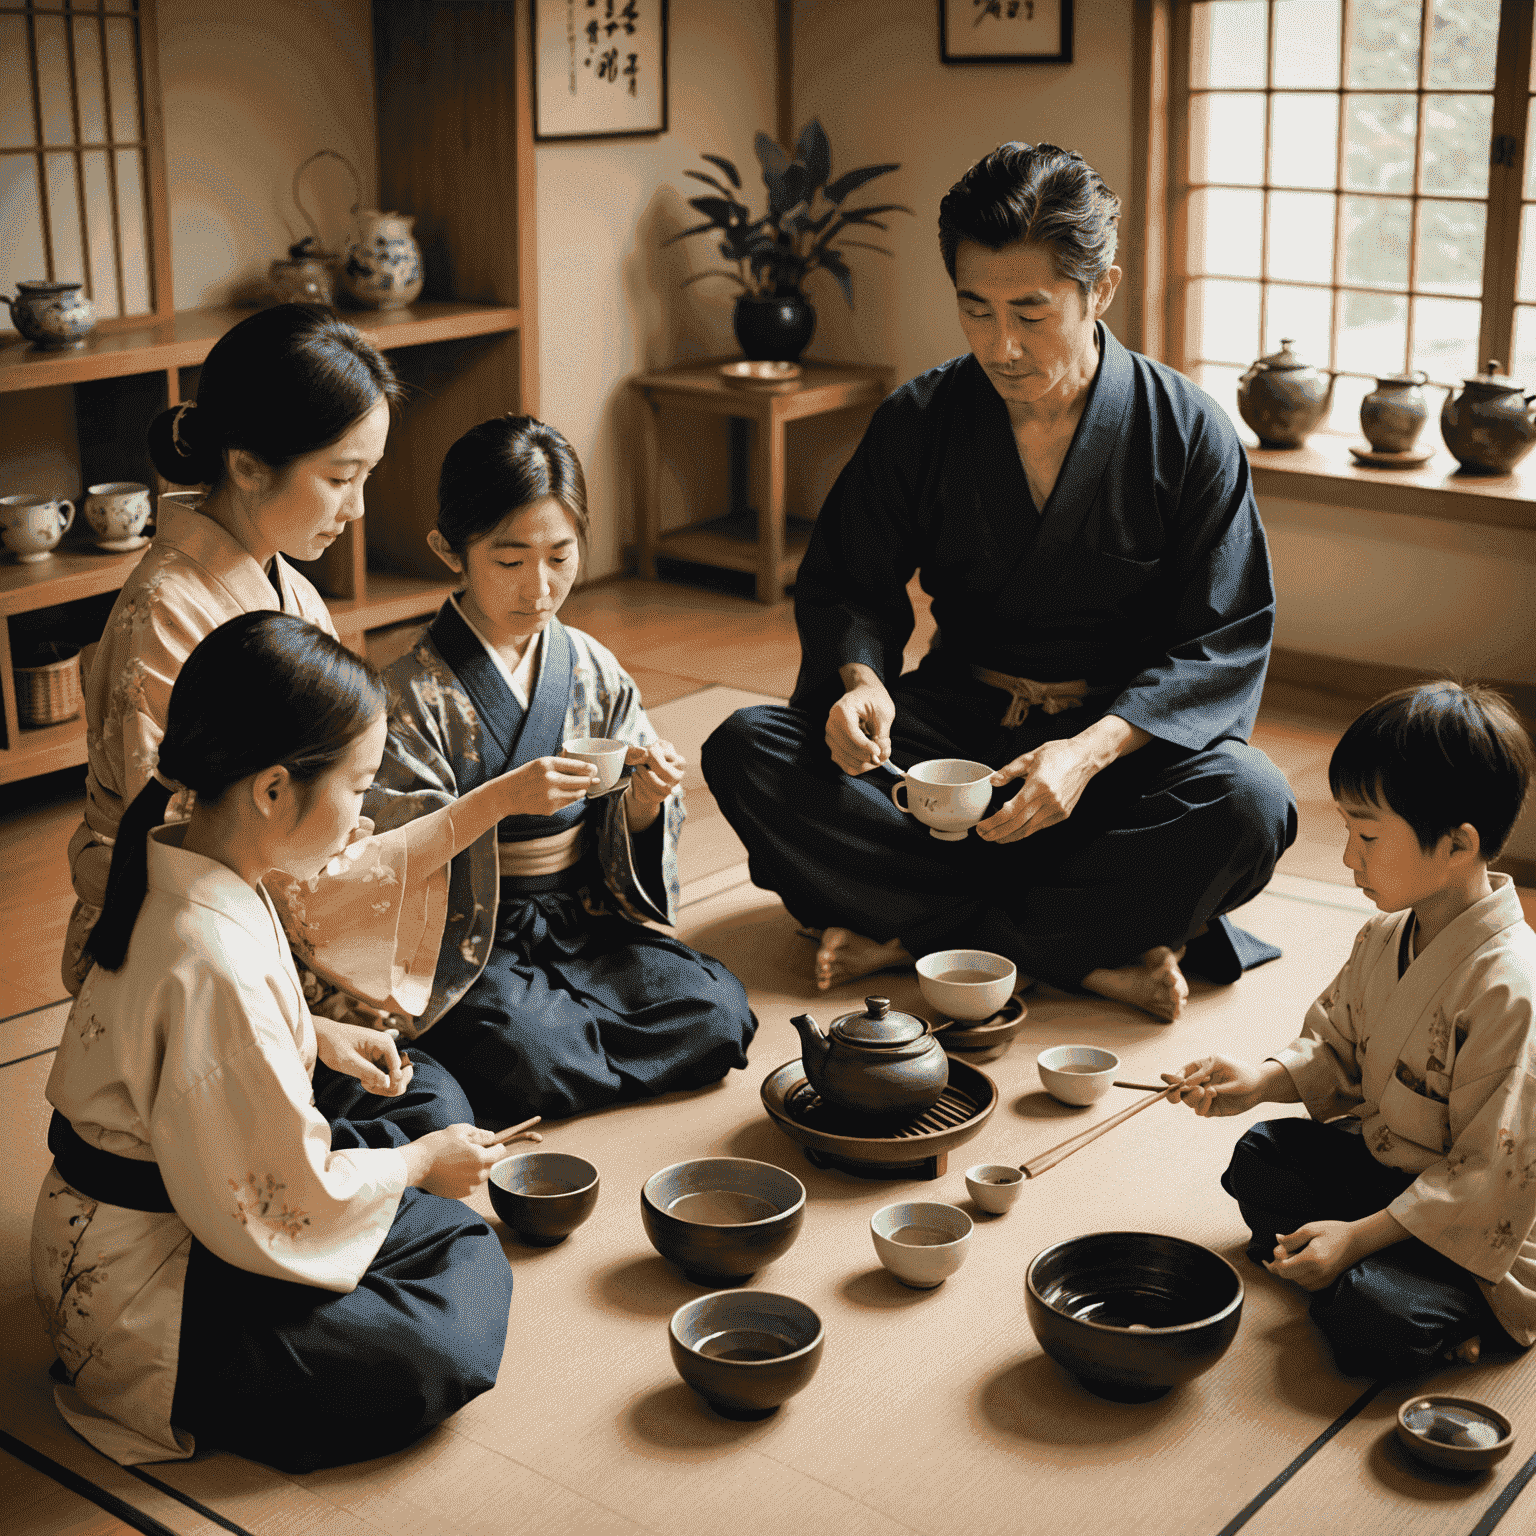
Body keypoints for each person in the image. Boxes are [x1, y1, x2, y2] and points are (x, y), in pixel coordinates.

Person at [702, 143, 1296, 1021]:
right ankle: (1082, 950)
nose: (1001, 345)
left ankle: (911, 935)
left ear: (1102, 290)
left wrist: (1087, 753)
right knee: (747, 749)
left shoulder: (1186, 432)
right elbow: (848, 586)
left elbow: (1221, 641)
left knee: (1250, 803)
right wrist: (861, 684)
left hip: (1116, 755)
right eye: (974, 310)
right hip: (957, 735)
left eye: (1031, 311)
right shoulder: (923, 420)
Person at [33, 613, 518, 1469]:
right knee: (446, 1310)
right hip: (153, 1293)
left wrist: (318, 1034)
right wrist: (412, 1167)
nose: (363, 815)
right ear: (271, 788)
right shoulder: (209, 947)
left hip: (164, 1198)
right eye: (359, 785)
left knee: (429, 1094)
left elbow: (188, 1045)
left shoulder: (183, 852)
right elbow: (274, 1192)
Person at [62, 303, 549, 1074]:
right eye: (339, 478)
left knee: (478, 1059)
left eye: (366, 477)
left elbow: (330, 809)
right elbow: (191, 846)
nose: (355, 510)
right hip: (192, 957)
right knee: (458, 1084)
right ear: (249, 463)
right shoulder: (162, 618)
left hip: (289, 920)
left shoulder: (292, 592)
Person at [361, 415, 756, 1121]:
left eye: (561, 557)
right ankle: (564, 1054)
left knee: (717, 1011)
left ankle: (576, 1056)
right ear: (449, 549)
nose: (540, 589)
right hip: (473, 940)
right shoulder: (407, 694)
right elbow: (386, 861)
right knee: (525, 1050)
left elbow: (626, 824)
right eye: (510, 563)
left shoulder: (591, 667)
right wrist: (497, 802)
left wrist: (644, 801)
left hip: (583, 919)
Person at [1167, 682, 1536, 1378]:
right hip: (1390, 1173)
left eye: (1367, 835)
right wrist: (1259, 1081)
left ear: (1459, 844)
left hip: (1481, 1231)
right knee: (1262, 1158)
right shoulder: (1386, 936)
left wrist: (1360, 1239)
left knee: (1372, 1318)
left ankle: (1430, 1306)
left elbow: (1488, 1176)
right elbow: (1334, 1047)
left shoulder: (1512, 989)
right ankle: (1359, 1268)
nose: (1348, 858)